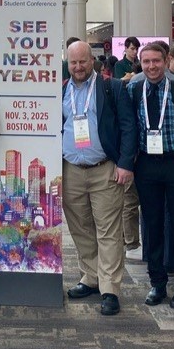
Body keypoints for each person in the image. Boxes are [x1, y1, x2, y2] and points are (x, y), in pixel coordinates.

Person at [128, 44, 174, 309]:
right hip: (147, 165)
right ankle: (157, 282)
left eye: (156, 61)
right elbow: (130, 128)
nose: (151, 66)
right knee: (152, 224)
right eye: (146, 62)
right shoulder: (134, 89)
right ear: (141, 63)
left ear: (166, 60)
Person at [62, 41, 135, 316]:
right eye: (73, 63)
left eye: (83, 61)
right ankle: (90, 277)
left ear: (92, 60)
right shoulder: (61, 91)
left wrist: (126, 164)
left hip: (105, 168)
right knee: (80, 228)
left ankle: (110, 288)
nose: (78, 67)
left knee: (108, 231)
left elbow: (129, 126)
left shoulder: (111, 87)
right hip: (71, 170)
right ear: (67, 64)